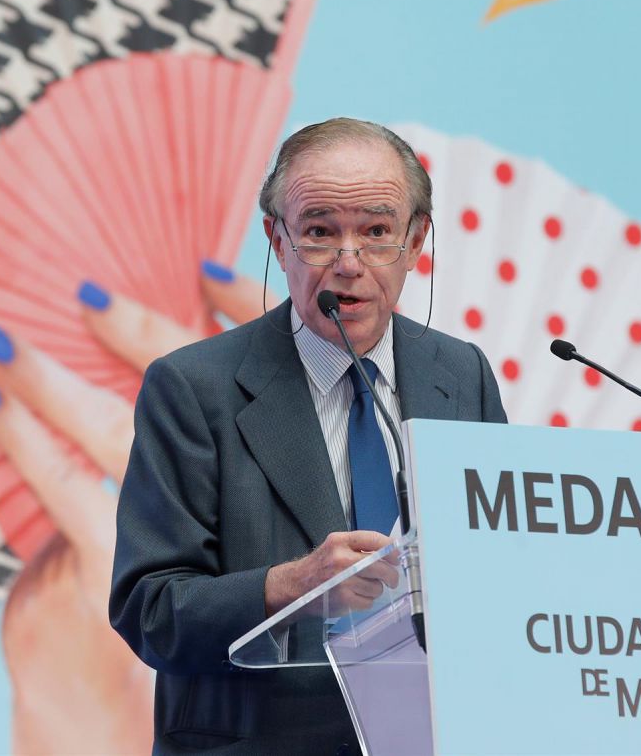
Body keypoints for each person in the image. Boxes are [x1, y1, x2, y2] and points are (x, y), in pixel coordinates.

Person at [109, 118, 508, 754]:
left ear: (416, 240)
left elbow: (497, 575)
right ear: (278, 239)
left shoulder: (461, 376)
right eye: (319, 233)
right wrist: (290, 586)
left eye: (377, 233)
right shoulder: (192, 388)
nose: (349, 264)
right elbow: (149, 611)